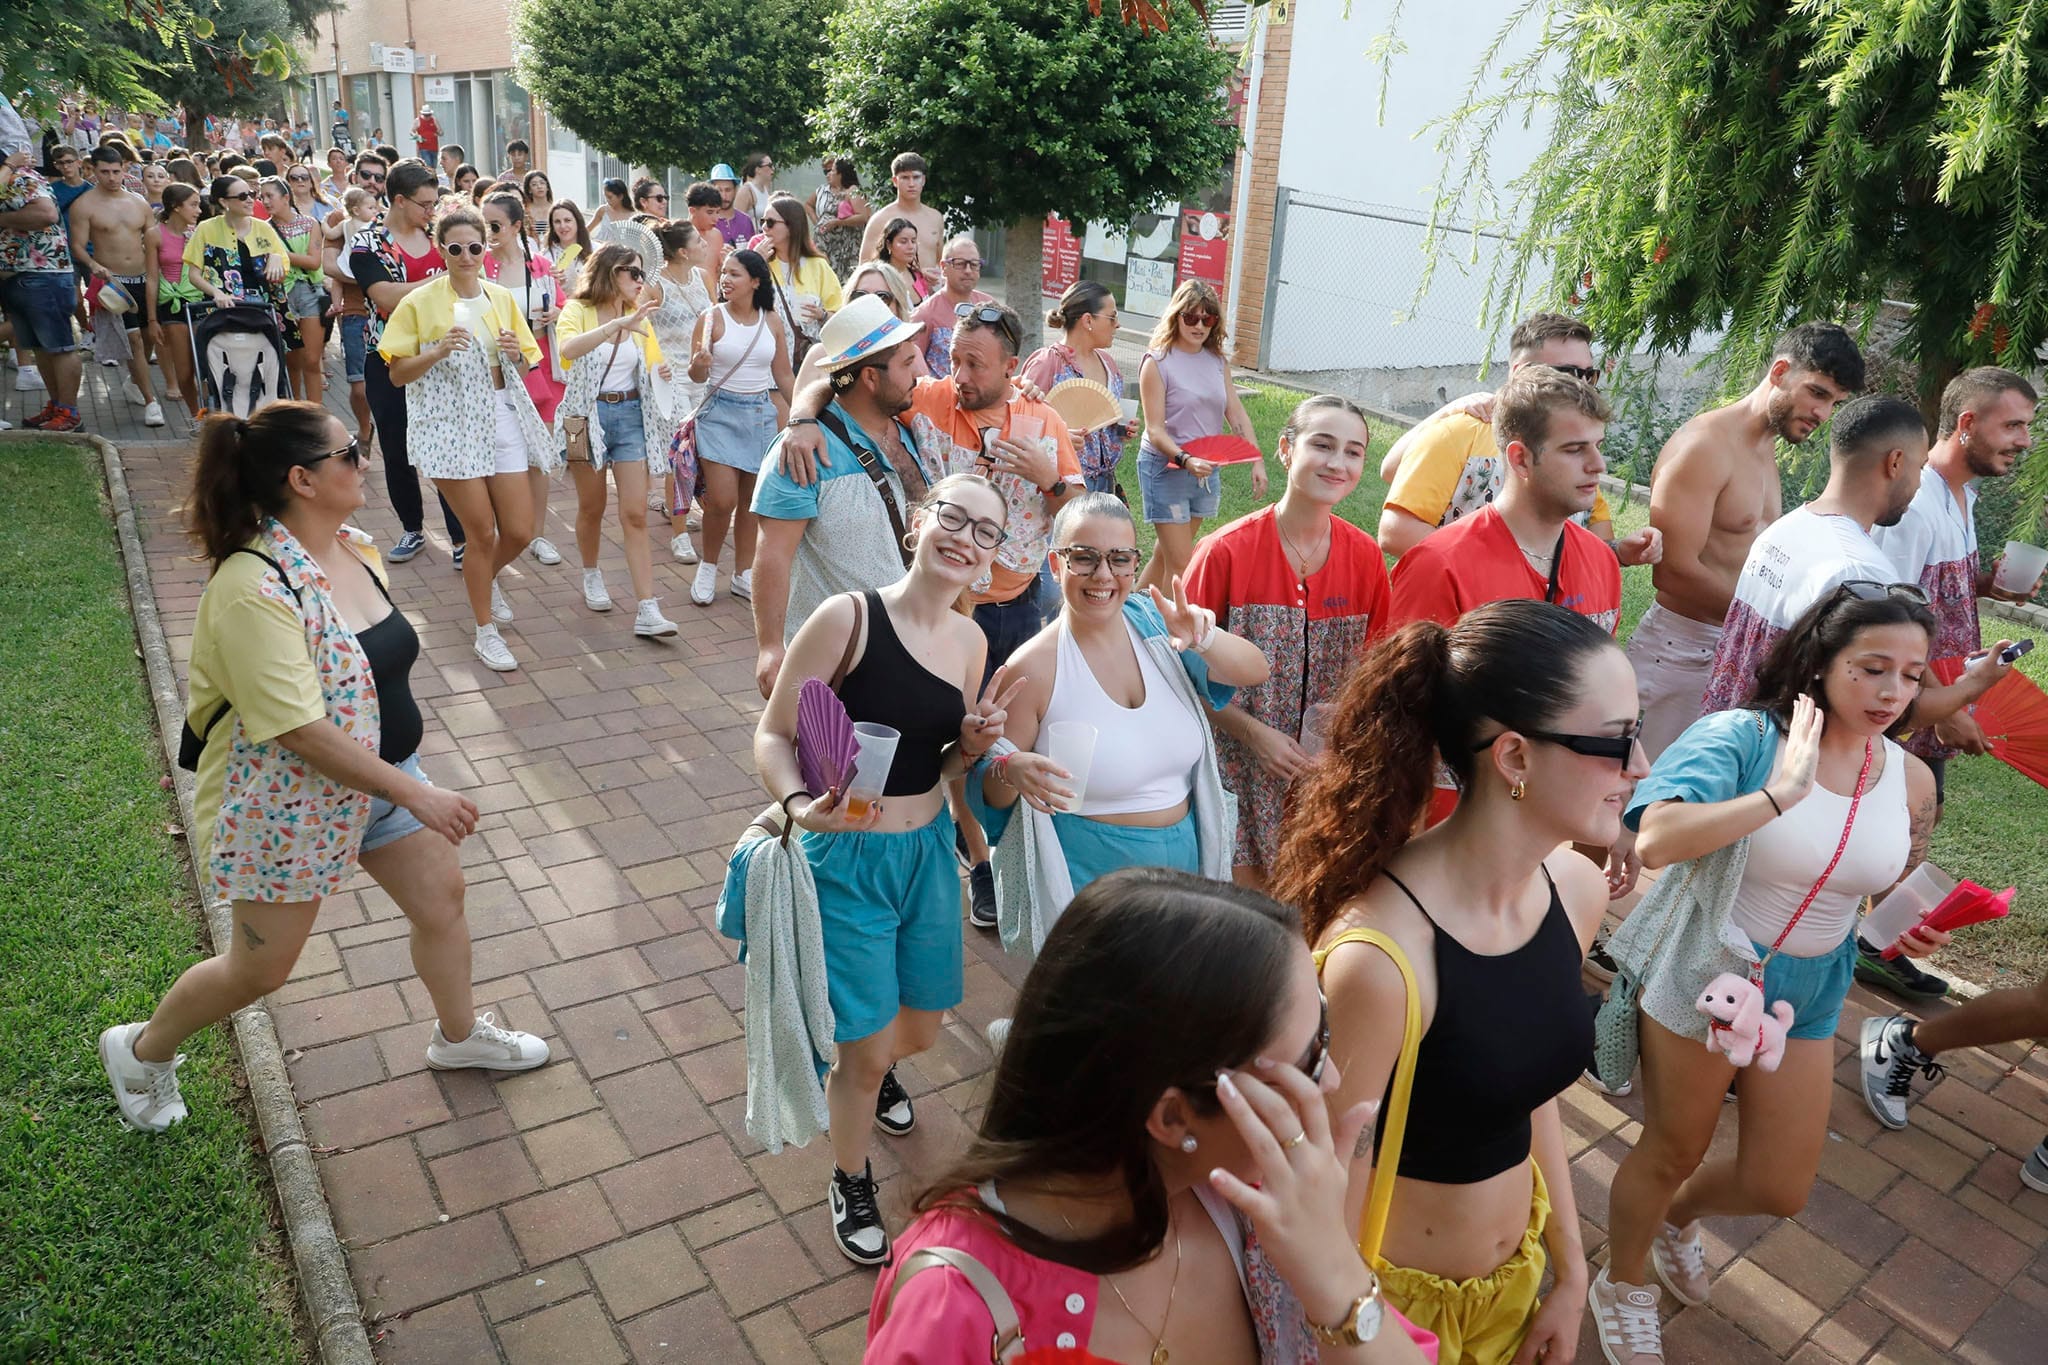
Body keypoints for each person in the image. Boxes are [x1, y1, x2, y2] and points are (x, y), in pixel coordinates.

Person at [97, 403, 548, 1135]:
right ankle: (142, 1050)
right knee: (258, 969)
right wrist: (417, 794)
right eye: (350, 452)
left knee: (442, 900)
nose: (365, 461)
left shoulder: (354, 548)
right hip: (290, 803)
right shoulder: (252, 588)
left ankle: (459, 1035)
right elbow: (298, 730)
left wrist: (404, 781)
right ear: (302, 479)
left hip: (386, 780)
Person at [866, 868, 1438, 1365]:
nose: (1331, 1079)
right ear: (1173, 1119)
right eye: (1308, 1060)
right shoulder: (949, 1312)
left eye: (1325, 1026)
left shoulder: (1266, 1208)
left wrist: (1336, 1275)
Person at [1595, 585, 1951, 1365]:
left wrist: (1907, 927)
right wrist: (1778, 794)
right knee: (1672, 1148)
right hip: (1711, 965)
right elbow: (1655, 839)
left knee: (1779, 1185)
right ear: (1821, 660)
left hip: (1814, 986)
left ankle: (1673, 1218)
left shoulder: (1910, 779)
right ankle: (1621, 1282)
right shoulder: (1746, 737)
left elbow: (1881, 884)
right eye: (1872, 668)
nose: (1892, 692)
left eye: (1911, 674)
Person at [1272, 598, 1630, 1365]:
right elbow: (1330, 1200)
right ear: (1515, 758)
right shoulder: (1380, 959)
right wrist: (1362, 1339)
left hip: (1514, 1287)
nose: (1641, 768)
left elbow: (1526, 1086)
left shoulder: (1574, 890)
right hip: (1391, 1311)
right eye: (1617, 742)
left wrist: (1570, 1270)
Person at [752, 473, 1017, 1265]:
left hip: (926, 857)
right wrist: (800, 805)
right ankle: (850, 1174)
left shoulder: (972, 642)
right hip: (847, 859)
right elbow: (772, 734)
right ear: (918, 522)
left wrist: (972, 746)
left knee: (920, 1029)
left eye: (986, 531)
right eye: (953, 517)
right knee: (864, 1052)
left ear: (994, 556)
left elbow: (945, 762)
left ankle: (876, 1071)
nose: (965, 538)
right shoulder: (849, 618)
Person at [972, 493, 1267, 918]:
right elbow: (993, 800)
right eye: (1084, 557)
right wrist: (1010, 769)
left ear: (1133, 563)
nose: (1103, 575)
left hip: (1187, 871)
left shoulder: (1156, 627)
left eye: (1119, 559)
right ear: (1055, 564)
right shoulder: (1033, 669)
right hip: (1093, 886)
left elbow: (1255, 669)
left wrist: (1205, 638)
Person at [1700, 394, 2013, 733]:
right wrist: (1977, 682)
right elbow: (1884, 712)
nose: (1919, 483)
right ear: (1895, 463)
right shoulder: (1861, 573)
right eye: (1920, 468)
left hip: (1726, 735)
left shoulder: (1784, 529)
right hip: (1783, 753)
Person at [1628, 322, 1864, 761]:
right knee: (1637, 795)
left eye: (1834, 402)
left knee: (1703, 796)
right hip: (1678, 651)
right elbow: (1673, 572)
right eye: (1816, 392)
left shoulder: (1762, 448)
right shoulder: (1705, 445)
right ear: (1779, 372)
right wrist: (1773, 627)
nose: (1822, 413)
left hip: (1730, 648)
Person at [1185, 396, 1394, 890]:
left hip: (1325, 779)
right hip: (1234, 773)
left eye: (1353, 452)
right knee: (1240, 914)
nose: (1337, 463)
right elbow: (1178, 676)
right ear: (1285, 449)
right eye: (1322, 445)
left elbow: (1376, 674)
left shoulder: (1365, 557)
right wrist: (1253, 733)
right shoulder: (1225, 552)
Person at [379, 207, 557, 672]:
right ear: (441, 249)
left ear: (486, 248)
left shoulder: (500, 297)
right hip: (447, 423)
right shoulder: (420, 302)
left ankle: (484, 578)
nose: (465, 255)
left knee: (519, 530)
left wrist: (517, 354)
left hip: (501, 414)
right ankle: (485, 631)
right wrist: (437, 351)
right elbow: (396, 373)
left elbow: (527, 362)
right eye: (455, 248)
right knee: (480, 533)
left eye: (474, 247)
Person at [750, 294, 931, 697]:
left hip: (911, 648)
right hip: (836, 663)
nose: (918, 372)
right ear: (870, 378)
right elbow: (772, 553)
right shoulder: (801, 453)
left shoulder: (912, 421)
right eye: (906, 363)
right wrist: (770, 647)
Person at [1377, 312, 1660, 566]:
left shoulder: (1582, 454)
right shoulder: (1462, 431)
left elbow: (1593, 545)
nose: (1582, 386)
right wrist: (1499, 574)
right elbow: (1396, 532)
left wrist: (1619, 551)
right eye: (1568, 373)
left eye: (1589, 375)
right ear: (1519, 372)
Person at [554, 243, 685, 639]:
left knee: (635, 513)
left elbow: (652, 363)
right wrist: (613, 327)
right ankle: (591, 573)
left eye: (642, 273)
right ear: (611, 272)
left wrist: (660, 372)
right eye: (634, 272)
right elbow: (567, 351)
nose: (641, 281)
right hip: (583, 418)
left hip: (630, 416)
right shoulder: (577, 310)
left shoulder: (638, 314)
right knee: (591, 506)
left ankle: (647, 608)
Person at [346, 159, 467, 566]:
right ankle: (412, 528)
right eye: (425, 204)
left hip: (443, 356)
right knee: (397, 447)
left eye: (435, 203)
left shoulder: (441, 236)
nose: (432, 211)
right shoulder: (367, 243)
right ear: (399, 200)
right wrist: (442, 279)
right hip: (387, 357)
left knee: (446, 444)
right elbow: (384, 296)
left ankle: (460, 536)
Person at [1135, 280, 1264, 593]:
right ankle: (1170, 624)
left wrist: (1256, 460)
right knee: (1181, 562)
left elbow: (1236, 413)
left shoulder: (1217, 362)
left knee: (1166, 555)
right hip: (1166, 467)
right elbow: (1155, 429)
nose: (1199, 326)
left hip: (1205, 469)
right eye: (1191, 317)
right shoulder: (1157, 362)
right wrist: (1185, 459)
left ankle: (1130, 611)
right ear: (1176, 316)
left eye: (1208, 319)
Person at [686, 248, 796, 606]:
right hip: (719, 412)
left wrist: (802, 413)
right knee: (722, 499)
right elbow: (696, 375)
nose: (725, 280)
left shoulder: (772, 321)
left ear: (755, 281)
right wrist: (700, 364)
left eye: (734, 274)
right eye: (724, 273)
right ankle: (708, 565)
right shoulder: (711, 317)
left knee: (751, 501)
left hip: (760, 414)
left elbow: (783, 374)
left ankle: (742, 572)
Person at [481, 189, 566, 567]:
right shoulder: (479, 264)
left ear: (517, 226)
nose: (489, 233)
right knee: (497, 453)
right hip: (494, 371)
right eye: (484, 224)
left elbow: (564, 305)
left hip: (538, 366)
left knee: (539, 454)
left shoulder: (541, 266)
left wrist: (556, 314)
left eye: (495, 225)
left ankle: (537, 534)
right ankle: (502, 532)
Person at [71, 144, 164, 424]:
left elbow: (153, 240)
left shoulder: (139, 202)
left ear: (124, 169)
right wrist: (93, 265)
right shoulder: (84, 205)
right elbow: (77, 246)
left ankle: (134, 381)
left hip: (144, 278)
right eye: (105, 172)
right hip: (114, 283)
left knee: (149, 337)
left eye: (116, 171)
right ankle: (151, 402)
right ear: (93, 170)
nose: (111, 177)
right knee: (133, 340)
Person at [643, 217, 715, 564]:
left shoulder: (703, 278)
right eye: (698, 241)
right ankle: (679, 534)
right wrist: (653, 362)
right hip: (671, 380)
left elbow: (716, 321)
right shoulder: (655, 284)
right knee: (680, 457)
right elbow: (636, 326)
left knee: (705, 453)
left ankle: (694, 512)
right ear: (683, 251)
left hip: (704, 377)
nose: (705, 244)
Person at [1023, 280, 1131, 495]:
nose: (1117, 325)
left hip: (1106, 484)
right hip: (1061, 485)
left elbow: (1114, 418)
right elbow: (1021, 426)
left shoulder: (1108, 363)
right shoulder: (1047, 363)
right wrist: (1058, 437)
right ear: (1088, 320)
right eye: (1112, 317)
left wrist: (1123, 428)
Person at [323, 181, 382, 453]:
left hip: (385, 312)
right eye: (366, 175)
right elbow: (330, 268)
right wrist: (369, 280)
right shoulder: (342, 220)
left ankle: (385, 431)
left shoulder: (382, 222)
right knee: (359, 386)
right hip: (355, 313)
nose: (373, 181)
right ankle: (364, 428)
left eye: (378, 177)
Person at [257, 175, 325, 408]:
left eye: (270, 196)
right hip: (279, 294)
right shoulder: (262, 229)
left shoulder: (309, 223)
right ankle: (295, 409)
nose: (265, 201)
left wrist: (280, 255)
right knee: (291, 359)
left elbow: (314, 262)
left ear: (286, 197)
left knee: (312, 359)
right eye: (262, 196)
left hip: (308, 292)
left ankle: (316, 412)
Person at [145, 183, 206, 422]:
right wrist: (152, 319)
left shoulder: (198, 232)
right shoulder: (155, 234)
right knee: (184, 372)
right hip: (171, 303)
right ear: (176, 207)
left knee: (205, 366)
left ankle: (212, 414)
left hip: (199, 300)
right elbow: (152, 278)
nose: (199, 210)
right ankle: (196, 417)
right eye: (193, 205)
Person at [760, 191, 842, 356]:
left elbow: (840, 314)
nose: (764, 227)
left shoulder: (817, 265)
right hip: (767, 354)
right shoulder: (760, 263)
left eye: (770, 222)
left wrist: (821, 315)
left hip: (807, 355)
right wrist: (755, 262)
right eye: (763, 221)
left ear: (791, 226)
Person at [909, 234, 991, 378]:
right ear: (943, 267)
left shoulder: (989, 307)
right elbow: (912, 367)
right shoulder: (925, 314)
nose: (968, 270)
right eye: (959, 264)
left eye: (974, 264)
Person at [857, 152, 943, 289]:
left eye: (916, 177)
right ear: (895, 181)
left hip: (930, 295)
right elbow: (865, 267)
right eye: (905, 178)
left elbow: (940, 260)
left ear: (923, 180)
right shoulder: (880, 219)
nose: (911, 184)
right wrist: (917, 274)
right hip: (894, 293)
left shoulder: (935, 217)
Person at [811, 155, 869, 282]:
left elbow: (863, 217)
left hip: (845, 250)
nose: (830, 174)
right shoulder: (837, 191)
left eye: (833, 171)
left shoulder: (853, 190)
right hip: (831, 249)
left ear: (841, 174)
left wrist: (837, 222)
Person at [874, 216, 930, 305]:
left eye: (913, 241)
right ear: (888, 244)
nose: (911, 247)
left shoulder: (918, 276)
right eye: (903, 242)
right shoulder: (880, 278)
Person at [545, 199, 591, 295]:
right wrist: (553, 284)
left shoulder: (597, 250)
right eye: (557, 222)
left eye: (567, 220)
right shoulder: (546, 256)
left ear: (577, 221)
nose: (562, 226)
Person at [706, 162, 754, 244]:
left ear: (735, 190)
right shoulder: (706, 221)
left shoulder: (746, 221)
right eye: (719, 190)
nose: (723, 196)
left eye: (728, 190)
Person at [733, 151, 774, 219]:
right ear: (758, 170)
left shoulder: (766, 189)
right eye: (769, 165)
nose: (773, 169)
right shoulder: (746, 190)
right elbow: (737, 221)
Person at [521, 170, 553, 241]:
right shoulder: (524, 211)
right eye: (534, 184)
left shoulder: (555, 208)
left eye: (542, 183)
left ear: (547, 187)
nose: (539, 186)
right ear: (529, 190)